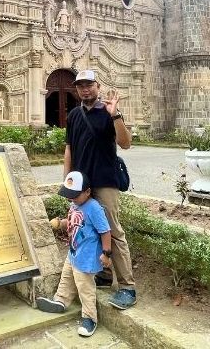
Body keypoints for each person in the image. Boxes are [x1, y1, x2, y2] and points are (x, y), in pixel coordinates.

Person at [64, 69, 136, 310]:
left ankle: (127, 287)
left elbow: (125, 144)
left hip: (105, 181)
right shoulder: (74, 115)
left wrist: (115, 116)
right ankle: (103, 275)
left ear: (97, 86)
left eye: (89, 85)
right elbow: (69, 150)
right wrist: (67, 182)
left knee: (113, 231)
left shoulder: (109, 113)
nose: (85, 89)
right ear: (77, 89)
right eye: (80, 85)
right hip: (82, 185)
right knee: (89, 229)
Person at [37, 171, 112, 337]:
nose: (71, 198)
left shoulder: (93, 207)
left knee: (85, 289)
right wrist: (61, 223)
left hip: (86, 258)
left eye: (75, 195)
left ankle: (89, 318)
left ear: (87, 191)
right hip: (73, 253)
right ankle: (60, 301)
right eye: (69, 195)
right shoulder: (75, 204)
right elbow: (74, 222)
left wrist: (106, 254)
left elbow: (105, 231)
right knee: (66, 279)